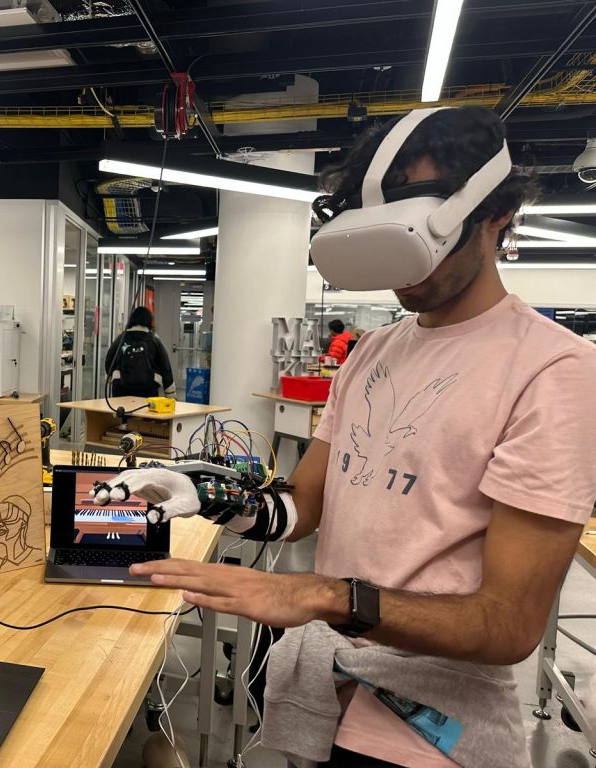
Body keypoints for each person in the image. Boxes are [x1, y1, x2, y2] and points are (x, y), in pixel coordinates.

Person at [95, 107, 596, 767]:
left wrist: (324, 595)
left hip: (430, 731)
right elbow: (304, 507)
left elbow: (508, 624)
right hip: (326, 701)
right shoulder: (373, 351)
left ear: (497, 212)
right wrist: (208, 492)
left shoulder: (553, 369)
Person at [104, 306, 176, 398]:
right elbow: (165, 367)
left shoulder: (121, 338)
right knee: (145, 408)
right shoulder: (154, 340)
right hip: (148, 387)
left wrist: (110, 377)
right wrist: (170, 394)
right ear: (149, 321)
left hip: (121, 386)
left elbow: (109, 360)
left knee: (121, 407)